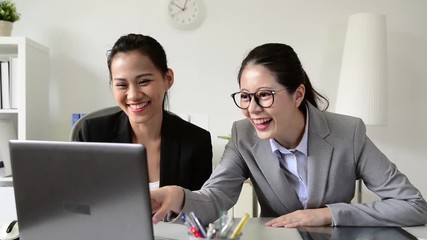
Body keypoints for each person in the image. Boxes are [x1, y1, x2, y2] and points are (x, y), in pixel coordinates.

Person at [150, 43, 427, 227]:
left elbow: (413, 205)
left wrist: (328, 214)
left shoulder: (348, 133)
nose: (252, 109)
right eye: (245, 97)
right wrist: (181, 197)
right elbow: (215, 198)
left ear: (298, 94)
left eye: (265, 96)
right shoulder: (243, 136)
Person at [73, 33, 213, 191]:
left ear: (168, 79)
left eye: (144, 81)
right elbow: (79, 202)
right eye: (121, 85)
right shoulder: (92, 135)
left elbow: (199, 211)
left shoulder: (195, 141)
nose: (133, 95)